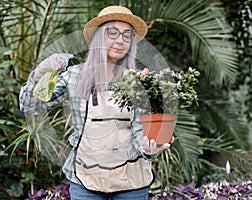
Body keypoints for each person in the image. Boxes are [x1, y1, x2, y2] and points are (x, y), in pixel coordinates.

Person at [19, 5, 172, 200]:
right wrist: (41, 73)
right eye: (113, 33)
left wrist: (148, 149)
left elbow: (138, 130)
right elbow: (30, 105)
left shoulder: (138, 81)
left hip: (131, 181)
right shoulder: (74, 76)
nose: (120, 41)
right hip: (85, 180)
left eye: (127, 36)